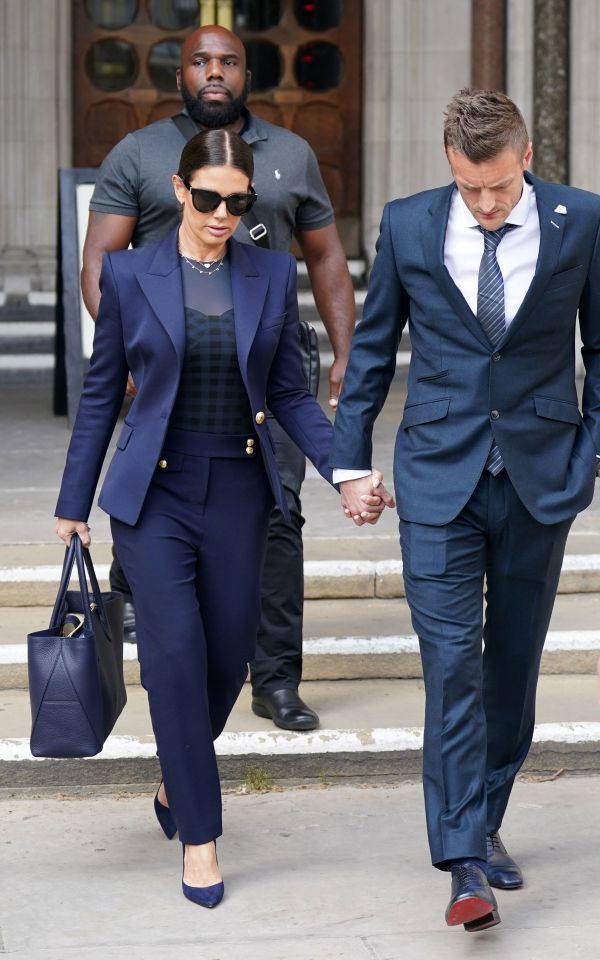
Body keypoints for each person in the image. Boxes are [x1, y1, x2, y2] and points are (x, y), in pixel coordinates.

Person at [55, 130, 393, 906]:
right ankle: (201, 840)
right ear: (179, 191)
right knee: (173, 653)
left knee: (228, 662)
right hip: (154, 497)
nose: (221, 214)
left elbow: (293, 394)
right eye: (207, 198)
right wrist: (74, 503)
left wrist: (344, 469)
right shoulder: (131, 273)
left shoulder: (270, 273)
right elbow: (104, 391)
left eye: (237, 203)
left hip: (241, 486)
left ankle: (178, 782)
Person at [331, 89, 600, 931]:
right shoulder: (410, 224)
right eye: (468, 189)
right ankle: (466, 862)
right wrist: (348, 463)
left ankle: (483, 814)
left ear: (524, 156)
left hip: (540, 478)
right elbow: (372, 348)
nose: (484, 207)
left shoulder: (582, 221)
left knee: (511, 669)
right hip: (438, 478)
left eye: (497, 187)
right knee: (451, 666)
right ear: (450, 166)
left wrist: (589, 456)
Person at [81, 23, 356, 732]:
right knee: (150, 492)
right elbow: (99, 261)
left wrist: (344, 347)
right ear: (180, 71)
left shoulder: (292, 155)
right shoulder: (137, 153)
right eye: (200, 60)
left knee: (281, 511)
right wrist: (138, 352)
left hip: (269, 363)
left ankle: (275, 679)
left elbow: (324, 257)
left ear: (247, 71)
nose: (214, 72)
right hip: (173, 358)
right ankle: (144, 601)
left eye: (228, 61)